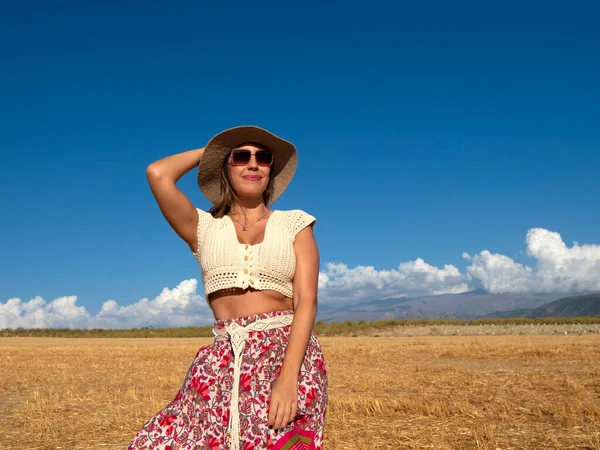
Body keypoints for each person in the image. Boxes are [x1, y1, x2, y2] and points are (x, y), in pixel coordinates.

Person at [127, 126, 328, 450]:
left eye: (262, 158)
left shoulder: (294, 223)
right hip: (222, 357)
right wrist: (215, 151)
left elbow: (306, 301)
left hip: (286, 354)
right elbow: (158, 173)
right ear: (226, 166)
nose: (253, 164)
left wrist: (288, 378)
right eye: (241, 156)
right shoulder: (203, 227)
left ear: (270, 171)